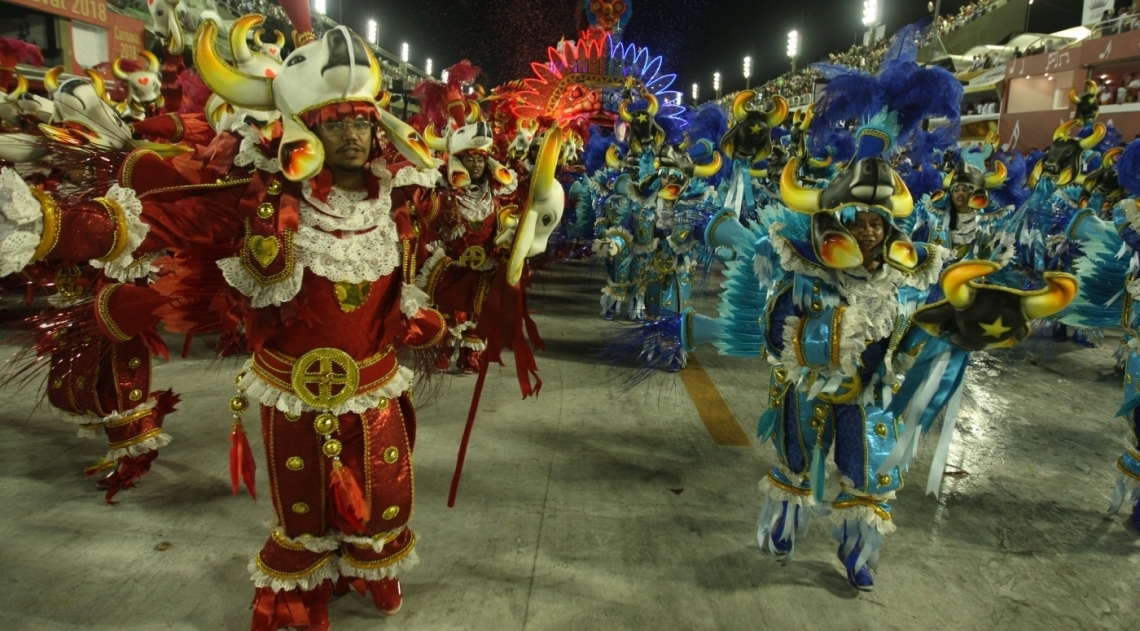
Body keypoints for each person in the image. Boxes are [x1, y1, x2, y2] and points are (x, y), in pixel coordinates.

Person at [0, 6, 561, 628]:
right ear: (305, 133)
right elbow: (162, 215)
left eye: (361, 123)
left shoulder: (401, 201)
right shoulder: (263, 202)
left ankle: (368, 567)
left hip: (373, 385)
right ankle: (303, 591)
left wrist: (525, 225)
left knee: (387, 494)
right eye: (335, 123)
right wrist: (51, 226)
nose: (352, 136)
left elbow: (453, 239)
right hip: (294, 390)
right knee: (301, 508)